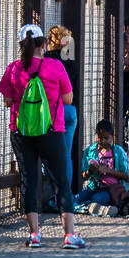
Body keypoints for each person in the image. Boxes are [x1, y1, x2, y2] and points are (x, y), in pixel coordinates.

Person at [0, 23, 86, 249]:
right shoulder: (55, 67)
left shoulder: (14, 68)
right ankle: (69, 236)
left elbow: (7, 101)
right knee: (61, 182)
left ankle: (35, 235)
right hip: (52, 131)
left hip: (21, 132)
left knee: (29, 180)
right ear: (43, 44)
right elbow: (68, 99)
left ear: (21, 45)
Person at [74, 120, 129, 216]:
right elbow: (83, 176)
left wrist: (108, 171)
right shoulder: (90, 151)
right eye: (99, 137)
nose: (102, 141)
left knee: (96, 199)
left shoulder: (118, 151)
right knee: (74, 199)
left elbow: (126, 176)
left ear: (112, 137)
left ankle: (90, 207)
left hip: (111, 188)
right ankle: (91, 208)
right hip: (93, 186)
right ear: (95, 135)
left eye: (106, 138)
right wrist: (90, 171)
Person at [44, 25, 79, 188]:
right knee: (66, 156)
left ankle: (50, 194)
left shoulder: (46, 60)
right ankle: (66, 196)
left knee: (48, 155)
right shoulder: (71, 62)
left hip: (53, 111)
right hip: (70, 111)